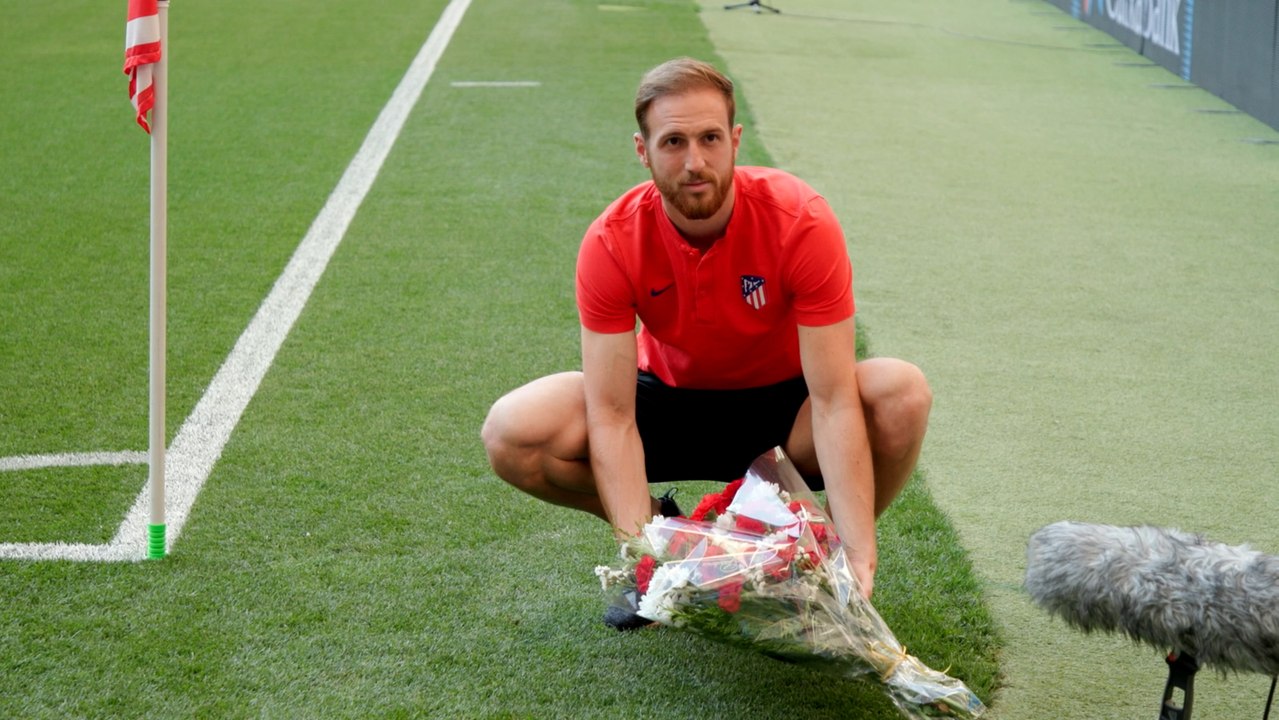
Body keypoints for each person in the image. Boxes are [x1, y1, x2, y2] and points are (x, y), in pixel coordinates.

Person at [481, 57, 931, 625]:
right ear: (643, 151)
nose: (694, 162)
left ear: (735, 141)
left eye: (710, 138)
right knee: (513, 431)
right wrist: (645, 557)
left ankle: (817, 563)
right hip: (667, 404)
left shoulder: (801, 220)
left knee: (900, 393)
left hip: (786, 415)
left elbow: (834, 399)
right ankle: (672, 540)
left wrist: (857, 557)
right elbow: (613, 415)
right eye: (673, 142)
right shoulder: (613, 239)